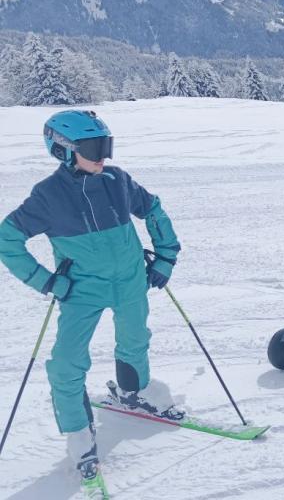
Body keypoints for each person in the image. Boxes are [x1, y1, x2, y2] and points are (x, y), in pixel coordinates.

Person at [0, 110, 182, 481]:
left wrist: (165, 256)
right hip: (81, 291)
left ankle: (132, 393)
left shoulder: (117, 180)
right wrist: (47, 282)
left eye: (106, 145)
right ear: (64, 150)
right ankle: (78, 432)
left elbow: (154, 209)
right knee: (67, 363)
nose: (103, 156)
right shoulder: (48, 196)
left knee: (135, 340)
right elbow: (7, 238)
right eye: (93, 147)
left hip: (131, 281)